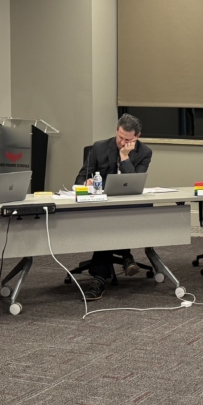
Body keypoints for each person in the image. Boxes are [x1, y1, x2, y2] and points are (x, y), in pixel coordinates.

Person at [73, 113, 153, 289]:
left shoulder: (144, 152)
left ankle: (99, 275)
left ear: (137, 137)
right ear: (116, 131)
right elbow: (79, 179)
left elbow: (133, 182)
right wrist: (86, 183)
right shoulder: (99, 147)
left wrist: (124, 157)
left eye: (128, 140)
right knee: (109, 221)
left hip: (128, 206)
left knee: (111, 222)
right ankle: (125, 257)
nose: (122, 142)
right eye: (120, 137)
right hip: (99, 206)